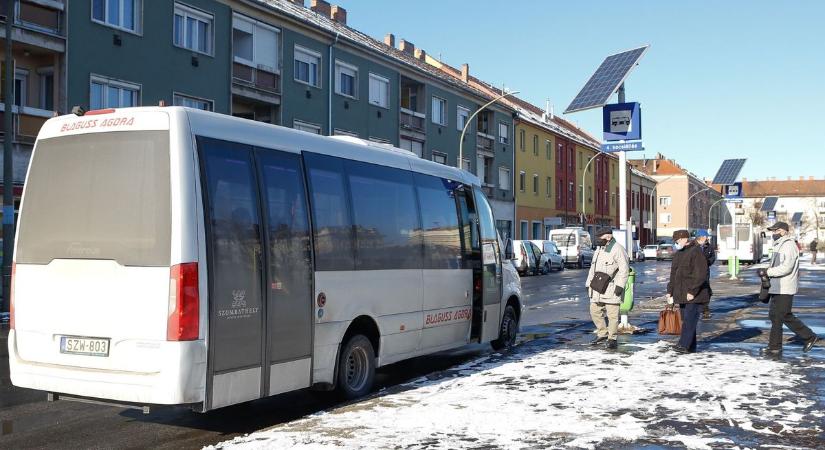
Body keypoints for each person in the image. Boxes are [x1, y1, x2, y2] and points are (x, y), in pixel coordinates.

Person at [758, 222, 819, 355]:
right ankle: (774, 347)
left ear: (784, 231)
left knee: (783, 315)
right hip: (776, 286)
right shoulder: (779, 245)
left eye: (776, 230)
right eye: (773, 231)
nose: (774, 233)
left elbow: (787, 267)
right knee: (775, 316)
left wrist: (769, 272)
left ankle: (809, 336)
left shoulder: (789, 245)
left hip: (785, 286)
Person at [586, 227, 630, 349]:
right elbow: (592, 268)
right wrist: (587, 284)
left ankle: (612, 338)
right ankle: (602, 333)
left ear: (608, 237)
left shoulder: (618, 249)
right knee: (594, 311)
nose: (598, 240)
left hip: (612, 287)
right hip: (597, 287)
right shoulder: (599, 249)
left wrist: (620, 286)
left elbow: (624, 269)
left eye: (600, 237)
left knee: (612, 315)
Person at [667, 229, 710, 354]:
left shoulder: (695, 252)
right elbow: (673, 274)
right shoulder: (679, 254)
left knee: (689, 320)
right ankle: (691, 346)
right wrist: (670, 291)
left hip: (694, 294)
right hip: (681, 294)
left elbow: (701, 274)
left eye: (677, 240)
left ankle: (683, 345)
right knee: (687, 320)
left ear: (684, 239)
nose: (676, 243)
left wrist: (692, 291)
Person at [694, 230, 716, 319]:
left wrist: (708, 262)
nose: (707, 238)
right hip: (695, 272)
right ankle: (696, 307)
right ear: (701, 237)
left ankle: (705, 309)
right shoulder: (694, 247)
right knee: (696, 289)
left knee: (706, 290)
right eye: (706, 237)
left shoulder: (709, 247)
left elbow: (713, 257)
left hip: (705, 272)